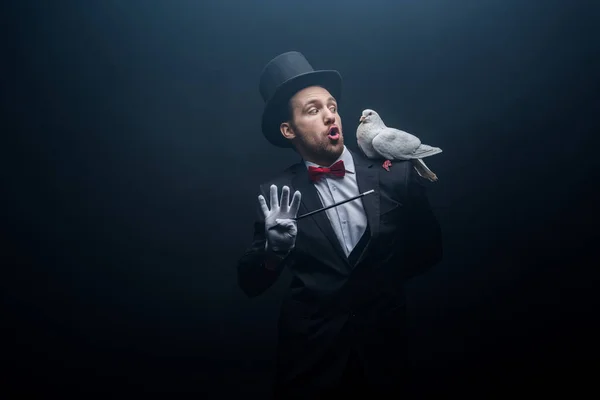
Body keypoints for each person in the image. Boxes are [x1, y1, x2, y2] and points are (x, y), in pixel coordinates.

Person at [237, 51, 443, 399]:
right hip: (311, 365)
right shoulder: (276, 196)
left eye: (331, 106)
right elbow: (250, 283)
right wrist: (274, 253)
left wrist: (380, 286)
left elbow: (429, 250)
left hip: (386, 358)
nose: (330, 115)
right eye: (313, 110)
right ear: (289, 129)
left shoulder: (396, 176)